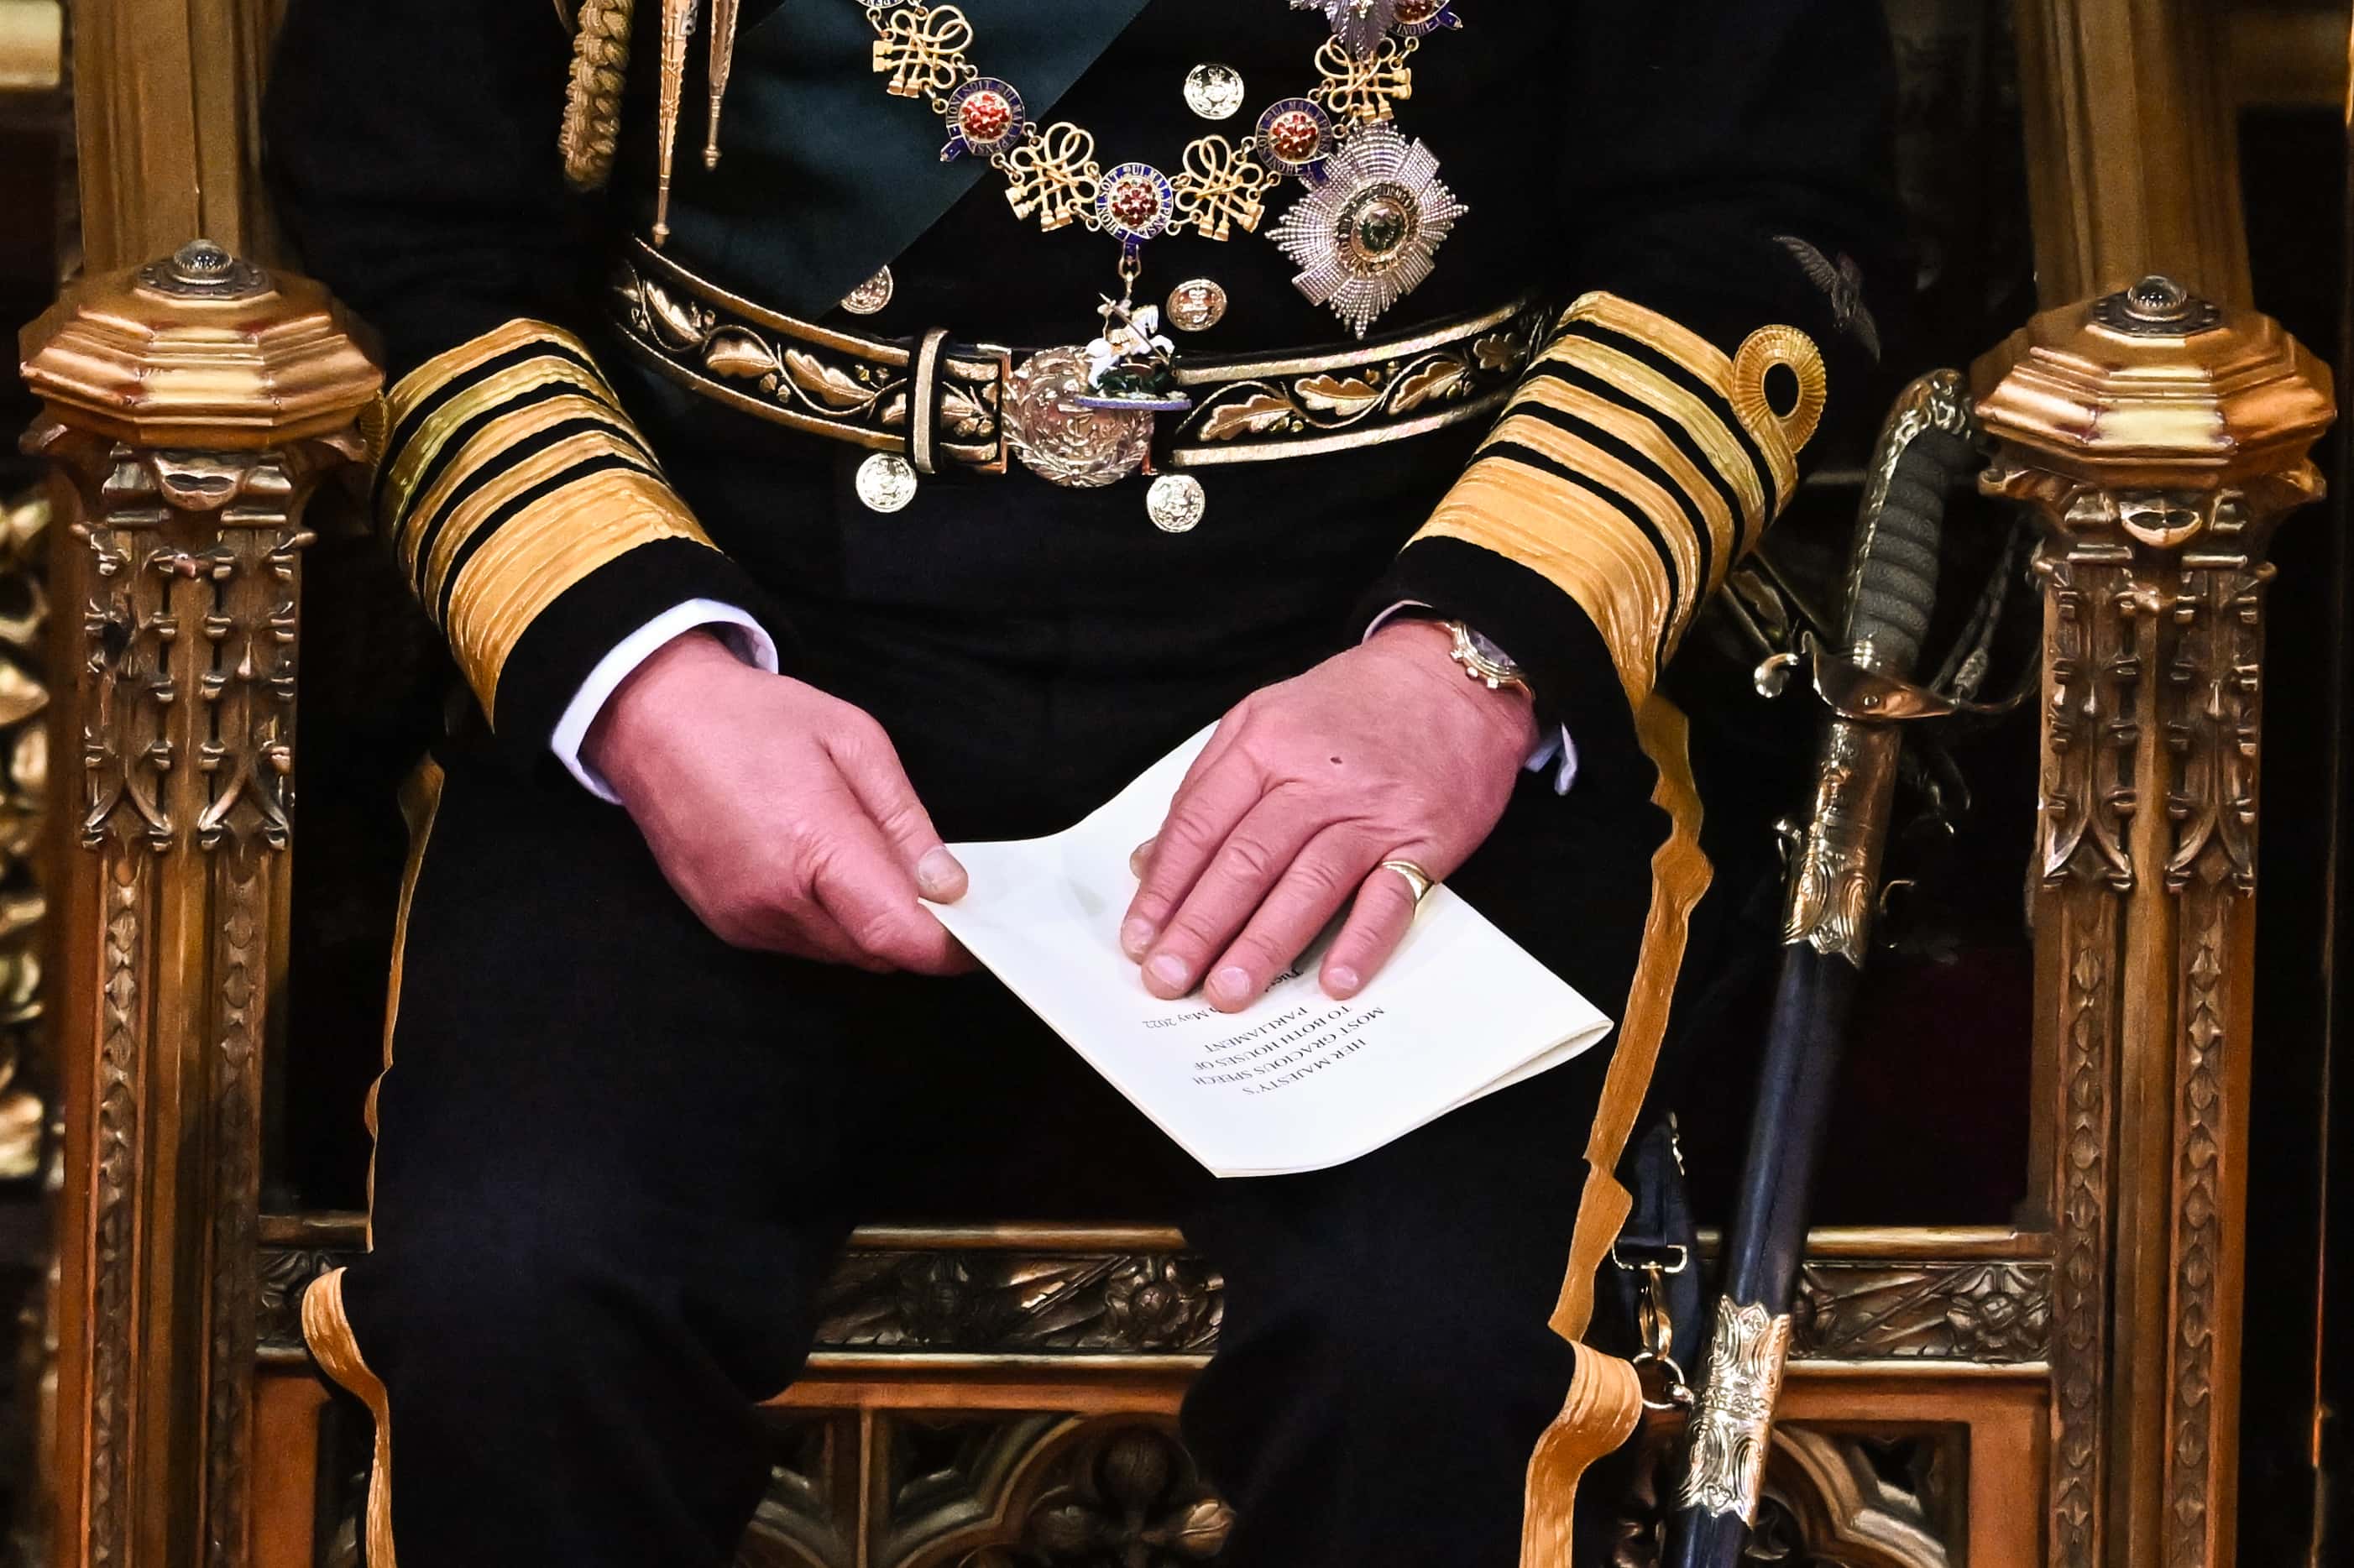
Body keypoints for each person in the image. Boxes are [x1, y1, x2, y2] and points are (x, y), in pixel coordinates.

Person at [264, 1, 1896, 1561]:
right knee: (514, 1301)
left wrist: (1468, 653)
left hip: (1383, 639)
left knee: (1423, 1358)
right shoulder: (670, 676)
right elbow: (411, 214)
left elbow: (1756, 216)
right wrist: (641, 676)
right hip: (722, 637)